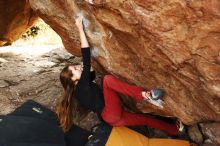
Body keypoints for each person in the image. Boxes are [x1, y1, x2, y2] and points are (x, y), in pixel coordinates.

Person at [56, 16, 182, 135]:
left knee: (145, 119)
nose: (78, 67)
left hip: (113, 119)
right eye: (75, 69)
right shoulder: (80, 87)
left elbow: (90, 75)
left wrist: (86, 70)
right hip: (110, 113)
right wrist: (80, 29)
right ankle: (144, 95)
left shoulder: (79, 89)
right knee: (107, 80)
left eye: (76, 66)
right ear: (72, 79)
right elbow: (86, 56)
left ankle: (175, 130)